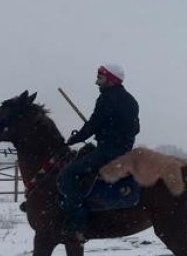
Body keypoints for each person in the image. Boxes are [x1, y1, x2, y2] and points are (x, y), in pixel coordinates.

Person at [57, 63, 140, 242]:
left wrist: (75, 139)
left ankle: (77, 222)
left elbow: (93, 125)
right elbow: (136, 128)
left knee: (68, 174)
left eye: (100, 78)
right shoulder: (131, 100)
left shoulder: (106, 99)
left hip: (108, 152)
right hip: (124, 151)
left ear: (111, 80)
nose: (97, 82)